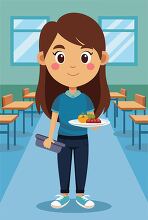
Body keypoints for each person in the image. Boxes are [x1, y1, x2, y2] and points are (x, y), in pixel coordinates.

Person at [35, 13, 110, 209]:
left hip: (82, 138)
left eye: (85, 56)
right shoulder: (59, 99)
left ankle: (81, 195)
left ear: (102, 58)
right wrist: (50, 137)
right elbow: (54, 119)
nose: (74, 66)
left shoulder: (86, 98)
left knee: (82, 167)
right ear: (43, 58)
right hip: (63, 138)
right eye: (61, 56)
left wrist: (94, 125)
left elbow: (91, 118)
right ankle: (63, 194)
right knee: (63, 166)